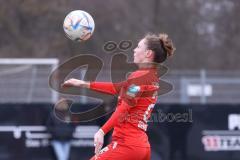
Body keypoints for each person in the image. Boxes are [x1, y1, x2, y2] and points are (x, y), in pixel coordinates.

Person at [62, 33, 175, 160]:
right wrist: (83, 83)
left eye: (138, 47)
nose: (134, 50)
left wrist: (102, 131)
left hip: (127, 145)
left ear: (148, 53)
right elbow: (118, 88)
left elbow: (123, 108)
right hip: (141, 147)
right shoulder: (151, 77)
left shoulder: (139, 78)